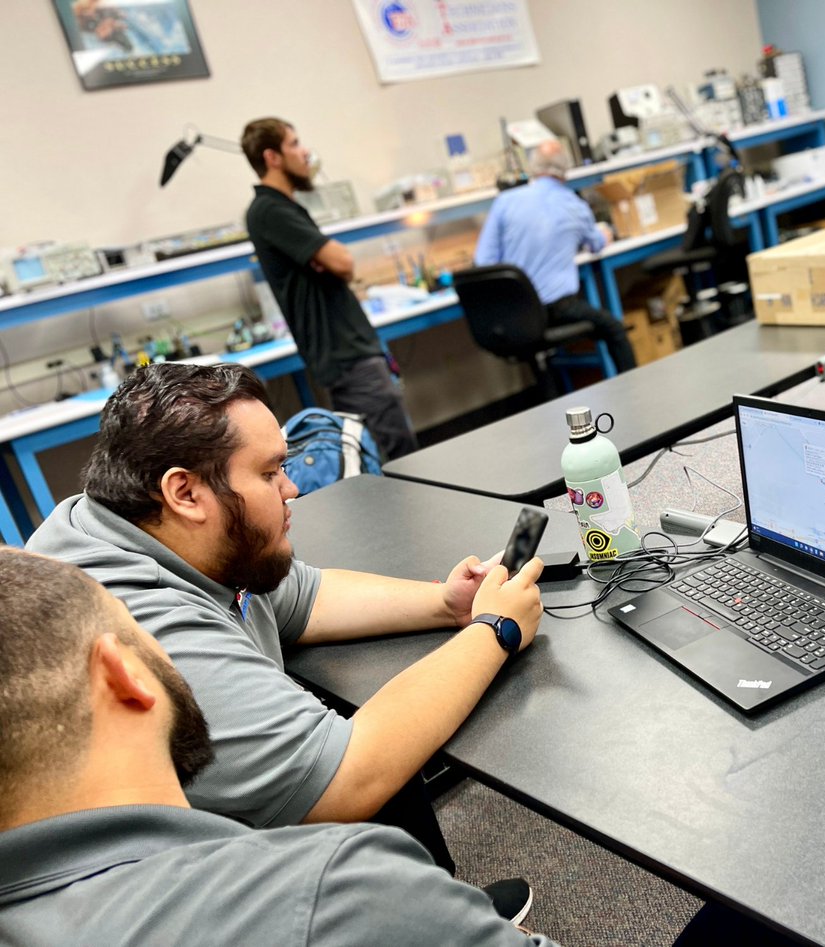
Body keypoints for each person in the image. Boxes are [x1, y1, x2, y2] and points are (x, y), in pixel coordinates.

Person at [0, 549, 788, 946]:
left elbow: (297, 593)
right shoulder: (334, 894)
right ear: (121, 673)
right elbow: (343, 780)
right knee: (763, 903)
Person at [26, 362, 542, 921]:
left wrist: (447, 604)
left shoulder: (132, 525)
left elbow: (304, 597)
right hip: (165, 896)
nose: (292, 489)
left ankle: (439, 908)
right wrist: (497, 630)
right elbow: (344, 781)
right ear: (185, 492)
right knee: (373, 748)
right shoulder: (144, 621)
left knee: (376, 722)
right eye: (271, 473)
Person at [241, 117, 418, 460]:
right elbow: (343, 262)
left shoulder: (285, 207)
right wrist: (329, 258)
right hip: (347, 357)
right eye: (293, 144)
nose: (305, 152)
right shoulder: (268, 210)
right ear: (272, 157)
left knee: (386, 449)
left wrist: (328, 258)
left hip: (352, 353)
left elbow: (333, 260)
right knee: (398, 453)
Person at [475, 139, 638, 373]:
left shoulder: (504, 202)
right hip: (556, 311)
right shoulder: (574, 204)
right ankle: (635, 392)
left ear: (533, 169)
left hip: (513, 317)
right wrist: (606, 232)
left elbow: (483, 261)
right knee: (613, 329)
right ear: (565, 172)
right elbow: (595, 244)